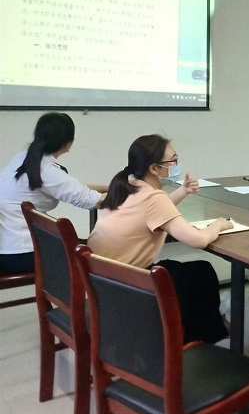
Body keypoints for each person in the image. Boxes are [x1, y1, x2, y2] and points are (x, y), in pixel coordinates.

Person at [87, 135, 231, 344]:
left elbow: (155, 213)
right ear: (154, 168)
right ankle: (195, 338)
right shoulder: (154, 198)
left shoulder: (128, 187)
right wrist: (218, 224)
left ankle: (199, 332)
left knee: (191, 271)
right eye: (172, 160)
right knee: (202, 272)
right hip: (128, 284)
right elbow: (198, 240)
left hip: (102, 278)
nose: (176, 164)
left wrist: (183, 191)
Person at [1, 112, 105, 274]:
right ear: (68, 143)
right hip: (23, 254)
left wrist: (110, 187)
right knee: (91, 255)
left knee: (81, 245)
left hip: (9, 249)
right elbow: (94, 201)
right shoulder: (47, 170)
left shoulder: (24, 159)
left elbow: (75, 188)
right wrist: (138, 191)